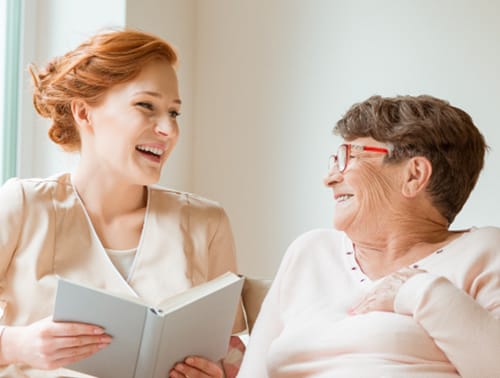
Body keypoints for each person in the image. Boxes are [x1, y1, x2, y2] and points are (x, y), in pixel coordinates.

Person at [0, 28, 245, 378]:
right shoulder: (23, 205)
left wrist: (217, 373)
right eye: (146, 106)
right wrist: (16, 344)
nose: (168, 130)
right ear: (84, 113)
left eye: (174, 113)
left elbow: (234, 352)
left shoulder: (206, 223)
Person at [238, 95, 500, 377]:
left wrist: (419, 292)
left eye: (347, 158)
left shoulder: (483, 251)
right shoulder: (310, 251)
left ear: (414, 175)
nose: (329, 178)